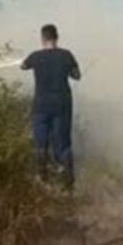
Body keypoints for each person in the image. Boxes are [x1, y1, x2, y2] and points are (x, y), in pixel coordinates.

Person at [21, 24, 81, 189]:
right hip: (62, 105)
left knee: (41, 144)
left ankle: (43, 179)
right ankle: (68, 185)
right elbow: (77, 76)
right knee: (63, 144)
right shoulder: (66, 55)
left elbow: (23, 66)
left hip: (41, 106)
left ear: (42, 38)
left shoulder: (35, 56)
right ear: (57, 37)